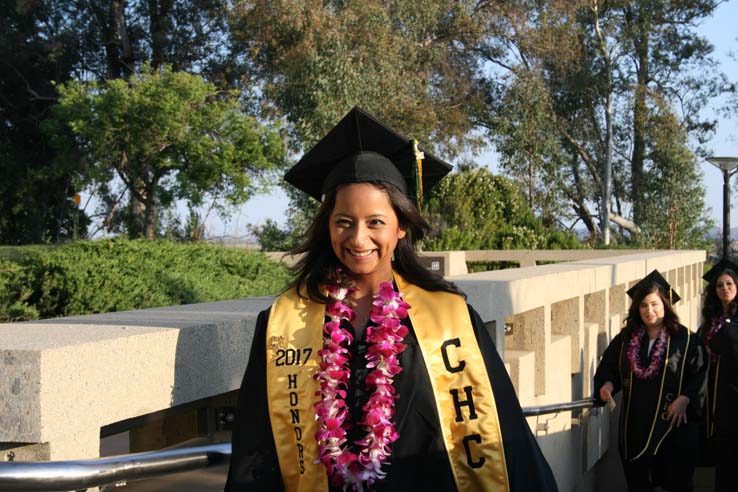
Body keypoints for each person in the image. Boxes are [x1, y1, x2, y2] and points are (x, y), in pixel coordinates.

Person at [224, 107, 558, 491]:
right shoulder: (284, 323)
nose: (358, 239)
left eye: (376, 222)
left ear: (401, 227)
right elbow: (256, 447)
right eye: (344, 222)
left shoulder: (449, 319)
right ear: (327, 226)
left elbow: (503, 433)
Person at [593, 270, 706, 492]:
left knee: (676, 483)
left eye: (654, 304)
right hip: (636, 424)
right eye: (643, 305)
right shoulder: (627, 338)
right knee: (638, 482)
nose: (649, 310)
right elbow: (609, 367)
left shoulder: (688, 340)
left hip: (673, 425)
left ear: (666, 304)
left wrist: (686, 398)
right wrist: (607, 384)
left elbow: (700, 373)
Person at [698, 258, 738, 491]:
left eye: (729, 284)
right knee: (723, 461)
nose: (724, 289)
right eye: (719, 285)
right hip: (714, 397)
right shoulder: (710, 320)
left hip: (733, 393)